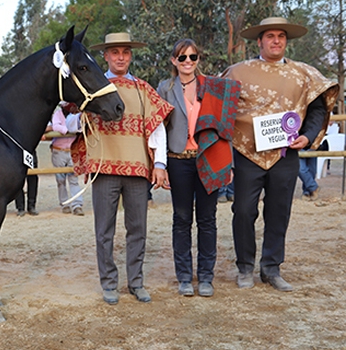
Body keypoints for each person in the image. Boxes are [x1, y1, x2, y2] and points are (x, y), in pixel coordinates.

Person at [222, 17, 338, 292]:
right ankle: (245, 267)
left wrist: (308, 136)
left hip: (285, 156)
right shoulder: (238, 72)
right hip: (247, 154)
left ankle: (271, 268)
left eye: (281, 36)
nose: (276, 40)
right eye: (270, 36)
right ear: (260, 41)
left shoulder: (304, 74)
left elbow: (319, 108)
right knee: (243, 211)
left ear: (286, 41)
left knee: (278, 212)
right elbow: (221, 108)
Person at [72, 32, 173, 304]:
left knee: (137, 228)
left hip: (139, 170)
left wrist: (160, 164)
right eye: (114, 52)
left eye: (125, 52)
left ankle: (136, 282)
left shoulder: (143, 89)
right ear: (105, 56)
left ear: (130, 56)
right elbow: (75, 122)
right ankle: (109, 284)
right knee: (104, 230)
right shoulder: (92, 86)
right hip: (105, 169)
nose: (120, 57)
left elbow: (157, 128)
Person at [157, 39, 239, 297]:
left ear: (198, 59)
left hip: (208, 158)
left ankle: (205, 277)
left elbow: (226, 126)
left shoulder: (213, 87)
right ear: (174, 61)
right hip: (178, 160)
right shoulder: (164, 88)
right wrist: (160, 164)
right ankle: (184, 277)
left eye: (193, 57)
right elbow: (159, 128)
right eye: (182, 58)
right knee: (181, 219)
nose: (188, 62)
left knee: (207, 219)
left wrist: (229, 162)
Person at [49, 102, 84, 215]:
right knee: (60, 180)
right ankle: (64, 203)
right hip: (59, 151)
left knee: (73, 179)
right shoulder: (57, 114)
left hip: (72, 151)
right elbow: (55, 126)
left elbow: (80, 126)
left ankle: (77, 205)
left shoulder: (76, 115)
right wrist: (68, 130)